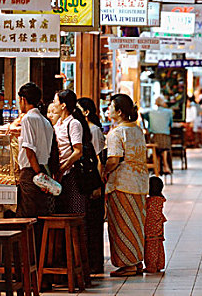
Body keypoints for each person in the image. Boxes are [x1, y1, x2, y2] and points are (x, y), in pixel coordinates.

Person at [102, 94, 149, 277]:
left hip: (122, 184)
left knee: (121, 224)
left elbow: (114, 159)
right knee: (136, 223)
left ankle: (127, 264)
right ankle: (136, 261)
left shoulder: (116, 133)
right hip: (139, 182)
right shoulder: (136, 130)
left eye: (110, 107)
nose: (108, 110)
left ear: (119, 112)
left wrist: (104, 171)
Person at [16, 82, 57, 255]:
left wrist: (38, 174)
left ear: (23, 100)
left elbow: (30, 150)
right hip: (43, 169)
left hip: (32, 172)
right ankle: (41, 269)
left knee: (27, 220)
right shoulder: (45, 121)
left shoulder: (28, 119)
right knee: (39, 219)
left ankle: (28, 267)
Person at [76, 97, 106, 274]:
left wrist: (98, 184)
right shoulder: (84, 129)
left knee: (94, 224)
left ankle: (95, 263)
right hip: (90, 181)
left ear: (86, 112)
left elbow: (98, 160)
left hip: (94, 181)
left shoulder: (93, 131)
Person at [52, 89, 92, 214]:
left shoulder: (73, 123)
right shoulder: (58, 123)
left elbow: (77, 151)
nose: (53, 105)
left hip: (72, 173)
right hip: (60, 174)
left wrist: (63, 168)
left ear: (63, 105)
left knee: (75, 212)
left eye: (55, 102)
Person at [142, 96, 174, 174]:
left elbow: (142, 115)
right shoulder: (169, 112)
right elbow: (170, 124)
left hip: (154, 137)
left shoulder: (150, 112)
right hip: (165, 138)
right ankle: (166, 165)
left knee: (156, 149)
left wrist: (146, 127)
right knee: (165, 148)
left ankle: (157, 166)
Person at [144, 176, 167, 273]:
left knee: (150, 247)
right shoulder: (160, 200)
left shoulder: (149, 201)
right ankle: (159, 264)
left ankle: (151, 266)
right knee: (158, 245)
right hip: (158, 226)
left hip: (150, 228)